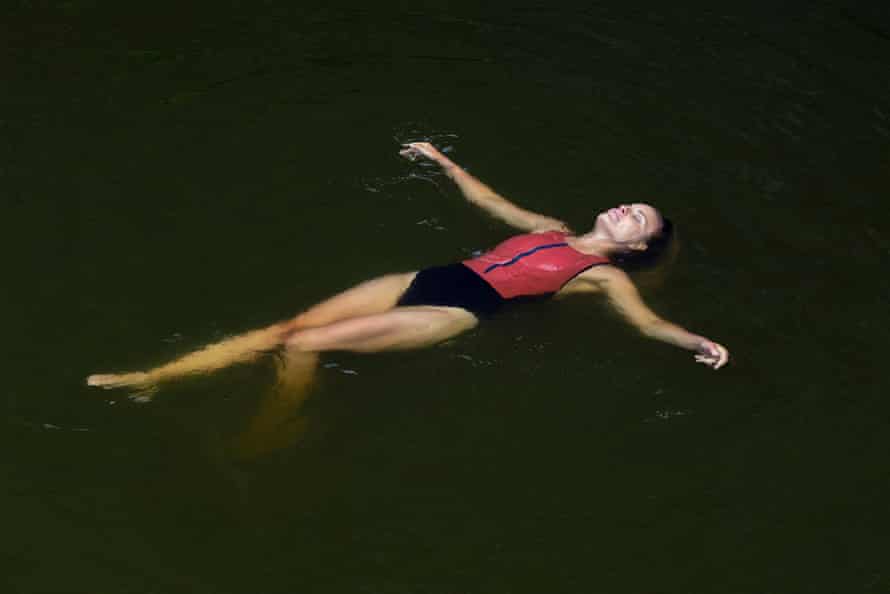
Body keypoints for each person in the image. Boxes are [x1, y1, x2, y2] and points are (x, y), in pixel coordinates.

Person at [87, 142, 729, 396]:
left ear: (636, 248)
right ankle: (153, 375)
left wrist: (698, 342)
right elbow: (490, 201)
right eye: (631, 205)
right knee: (285, 328)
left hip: (458, 308)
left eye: (638, 219)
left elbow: (646, 325)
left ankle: (275, 428)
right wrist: (443, 162)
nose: (627, 211)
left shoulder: (603, 275)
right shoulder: (550, 229)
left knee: (305, 345)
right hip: (428, 277)